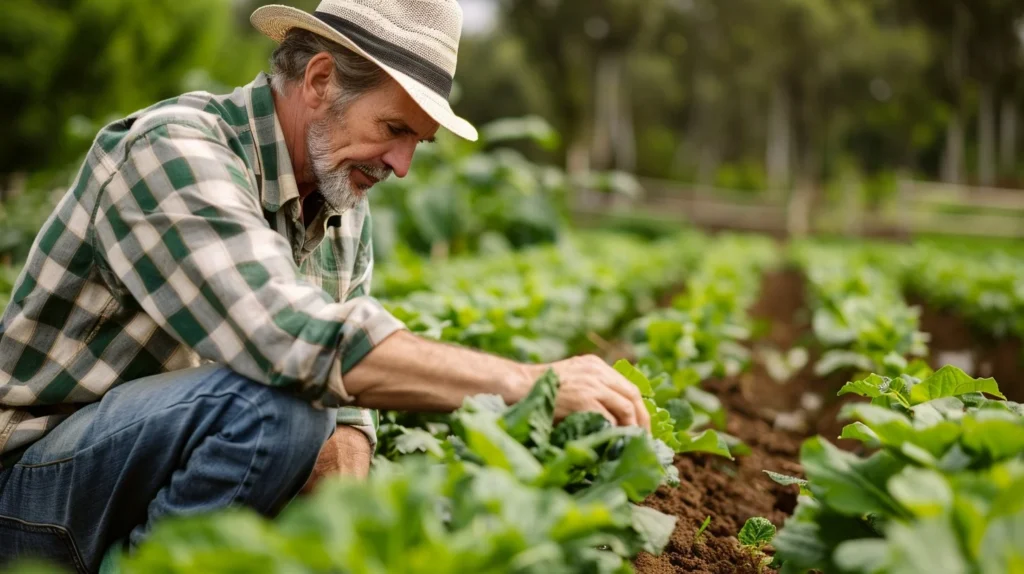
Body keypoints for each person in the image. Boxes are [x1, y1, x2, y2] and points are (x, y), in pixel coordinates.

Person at [0, 1, 649, 571]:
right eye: (395, 129)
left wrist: (349, 527)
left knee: (313, 428)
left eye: (416, 143)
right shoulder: (172, 151)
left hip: (144, 470)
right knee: (274, 411)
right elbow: (295, 342)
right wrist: (527, 382)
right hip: (30, 489)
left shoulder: (339, 202)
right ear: (319, 80)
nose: (402, 165)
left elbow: (341, 397)